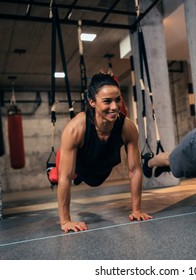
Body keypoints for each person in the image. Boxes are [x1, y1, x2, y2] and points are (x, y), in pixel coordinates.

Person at [50, 73, 153, 233]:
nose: (114, 106)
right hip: (79, 168)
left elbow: (134, 170)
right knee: (59, 175)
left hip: (100, 169)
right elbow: (65, 178)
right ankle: (52, 170)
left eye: (118, 99)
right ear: (92, 102)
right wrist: (66, 221)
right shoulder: (75, 128)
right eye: (107, 101)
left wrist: (136, 210)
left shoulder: (127, 127)